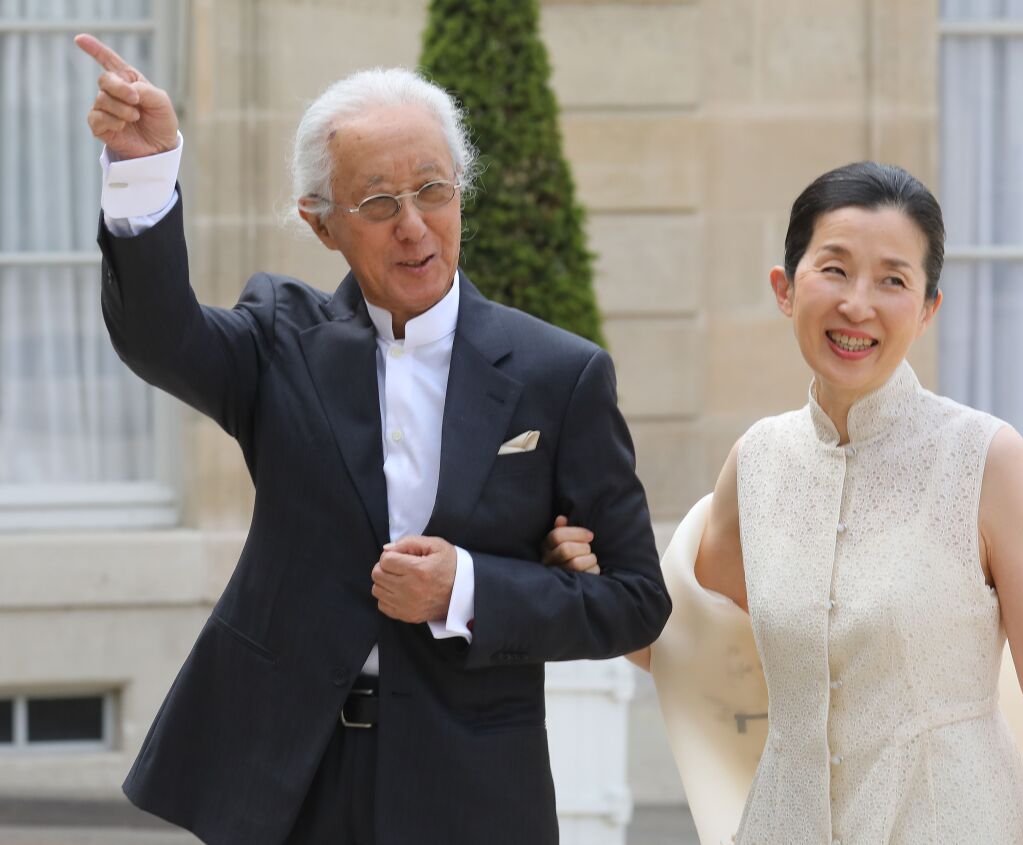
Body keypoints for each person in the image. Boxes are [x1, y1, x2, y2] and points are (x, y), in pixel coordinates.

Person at [75, 34, 670, 845]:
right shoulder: (281, 339)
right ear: (321, 225)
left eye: (434, 190)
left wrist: (467, 588)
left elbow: (635, 602)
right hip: (292, 776)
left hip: (470, 786)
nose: (415, 227)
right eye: (380, 204)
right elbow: (157, 334)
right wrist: (145, 172)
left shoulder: (558, 373)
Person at [561, 163, 1023, 843]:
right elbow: (679, 642)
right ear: (785, 288)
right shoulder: (756, 462)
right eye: (835, 270)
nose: (857, 305)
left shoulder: (987, 460)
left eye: (893, 280)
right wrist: (582, 577)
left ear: (929, 307)